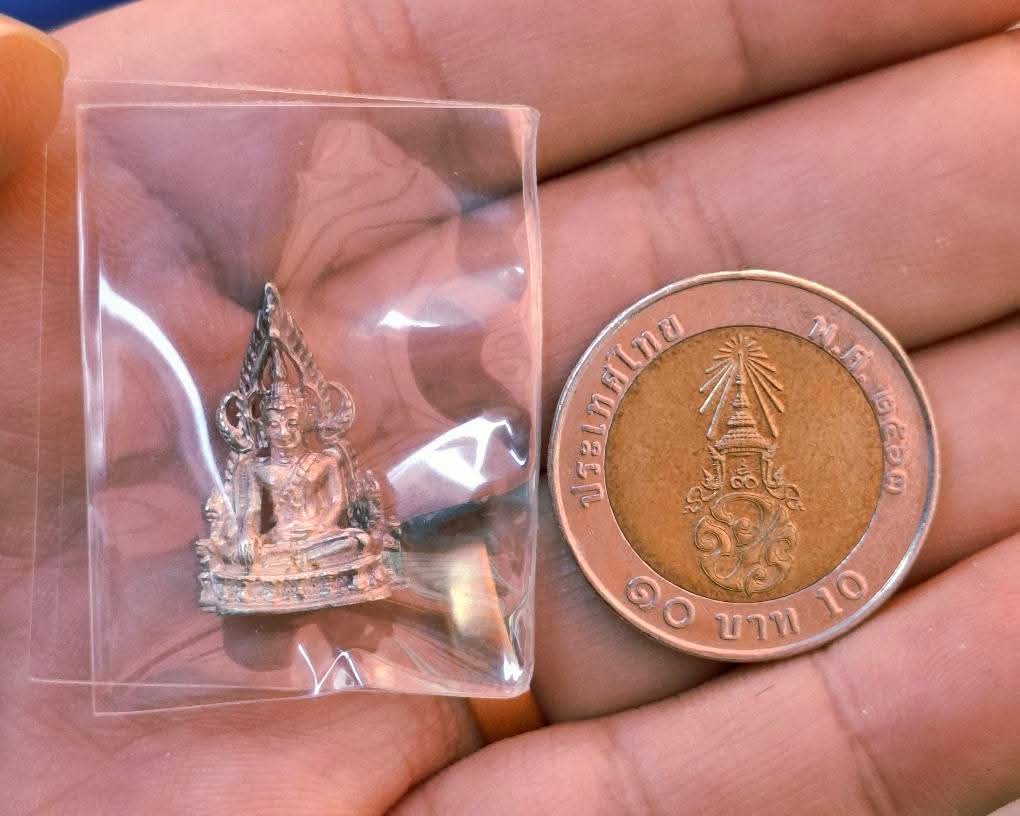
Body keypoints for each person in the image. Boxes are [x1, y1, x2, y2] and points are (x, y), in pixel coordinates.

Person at [0, 5, 1018, 814]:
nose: (282, 428)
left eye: (291, 415)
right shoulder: (251, 459)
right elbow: (256, 517)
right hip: (272, 570)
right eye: (269, 420)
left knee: (338, 522)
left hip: (327, 556)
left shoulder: (327, 453)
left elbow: (345, 505)